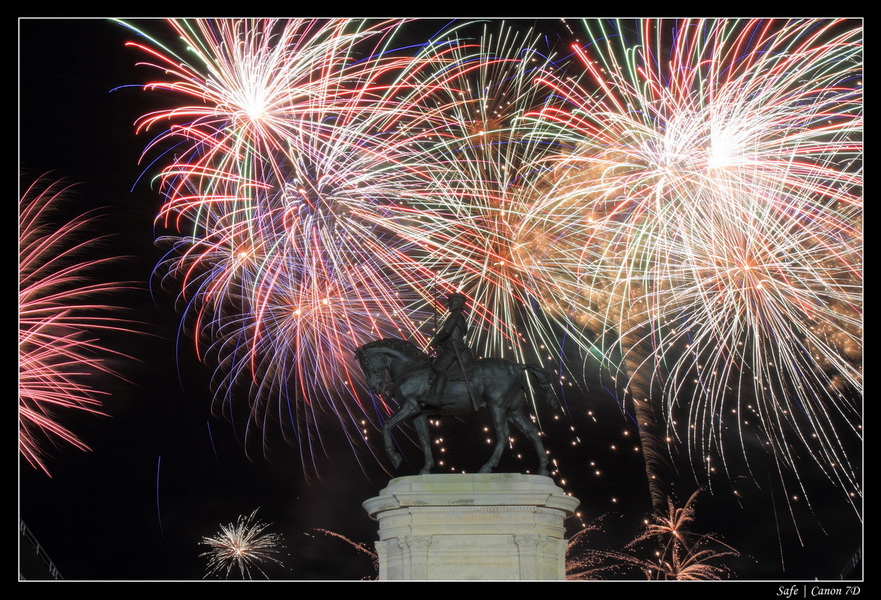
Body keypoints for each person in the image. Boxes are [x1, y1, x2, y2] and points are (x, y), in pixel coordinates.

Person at [425, 293, 469, 405]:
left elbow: (447, 331)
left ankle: (436, 397)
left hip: (453, 348)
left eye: (451, 301)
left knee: (439, 368)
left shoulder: (456, 315)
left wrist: (436, 340)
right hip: (451, 346)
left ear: (457, 302)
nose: (449, 304)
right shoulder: (460, 316)